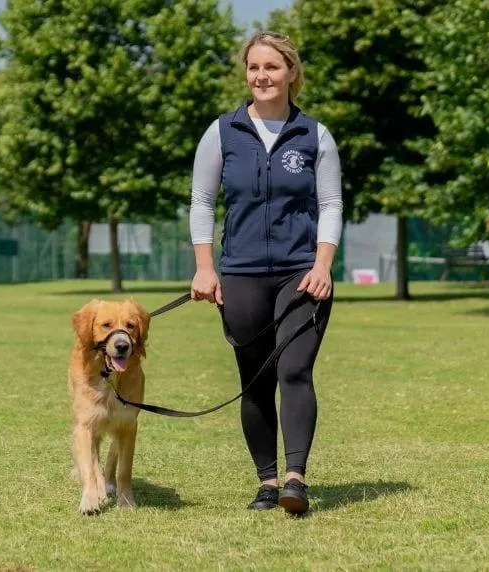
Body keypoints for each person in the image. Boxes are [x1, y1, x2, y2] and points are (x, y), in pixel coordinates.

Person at [188, 31, 343, 515]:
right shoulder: (222, 132)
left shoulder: (315, 135)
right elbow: (202, 202)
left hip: (301, 274)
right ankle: (267, 482)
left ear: (292, 73)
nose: (262, 77)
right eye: (254, 68)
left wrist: (323, 264)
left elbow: (331, 203)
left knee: (295, 369)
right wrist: (204, 269)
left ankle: (296, 480)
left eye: (272, 67)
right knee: (256, 380)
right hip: (241, 273)